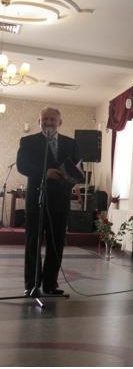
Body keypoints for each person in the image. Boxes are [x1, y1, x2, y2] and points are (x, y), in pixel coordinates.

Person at [17, 106, 81, 296]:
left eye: (52, 119)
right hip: (36, 199)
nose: (48, 122)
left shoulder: (71, 144)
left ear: (60, 122)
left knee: (56, 243)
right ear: (39, 122)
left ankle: (50, 284)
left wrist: (70, 178)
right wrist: (45, 173)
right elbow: (22, 166)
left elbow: (77, 170)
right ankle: (32, 285)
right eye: (45, 119)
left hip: (60, 201)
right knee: (33, 243)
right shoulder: (28, 141)